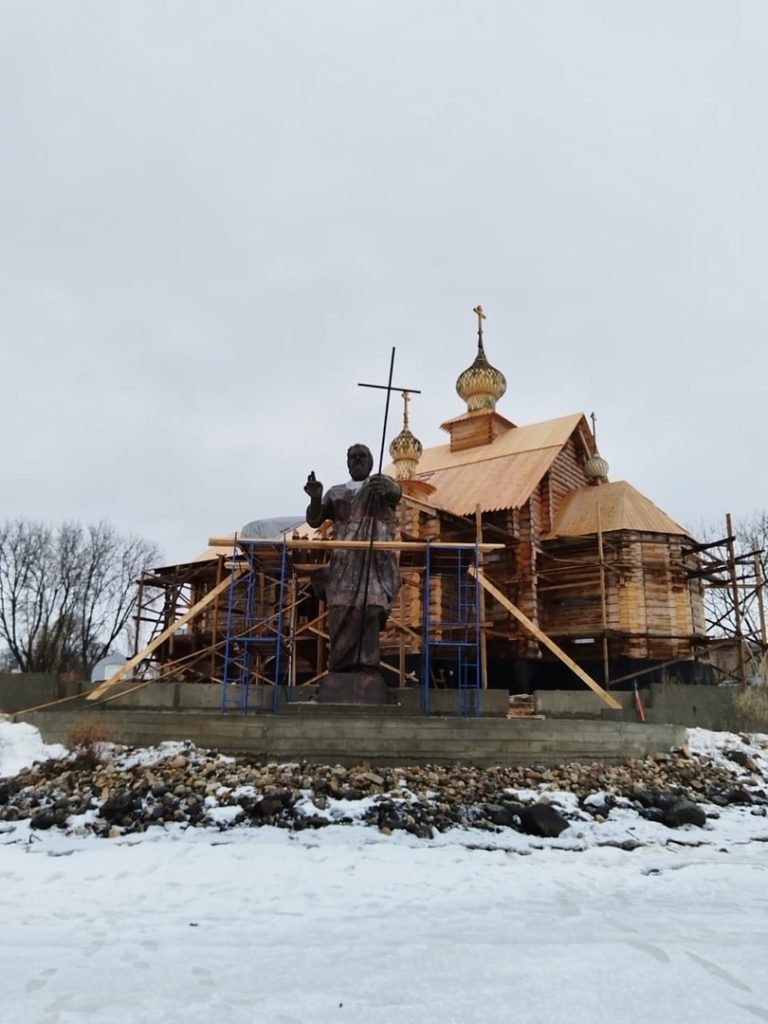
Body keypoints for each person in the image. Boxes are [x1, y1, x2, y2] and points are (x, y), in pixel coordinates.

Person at [304, 444, 401, 674]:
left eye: (362, 456)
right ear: (347, 463)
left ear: (371, 461)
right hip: (344, 564)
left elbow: (396, 494)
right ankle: (340, 668)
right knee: (341, 610)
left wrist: (390, 487)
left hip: (374, 564)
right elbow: (315, 520)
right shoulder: (336, 492)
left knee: (372, 608)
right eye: (353, 457)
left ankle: (367, 666)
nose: (358, 460)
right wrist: (316, 497)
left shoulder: (378, 485)